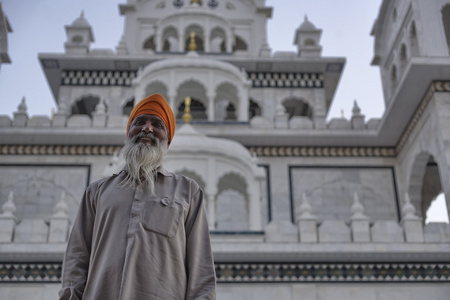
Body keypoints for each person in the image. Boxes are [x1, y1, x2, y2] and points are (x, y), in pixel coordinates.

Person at [59, 94, 216, 300]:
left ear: (167, 139)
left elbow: (201, 268)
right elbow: (77, 259)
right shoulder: (97, 192)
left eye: (157, 124)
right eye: (140, 122)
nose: (147, 129)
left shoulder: (187, 191)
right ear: (128, 132)